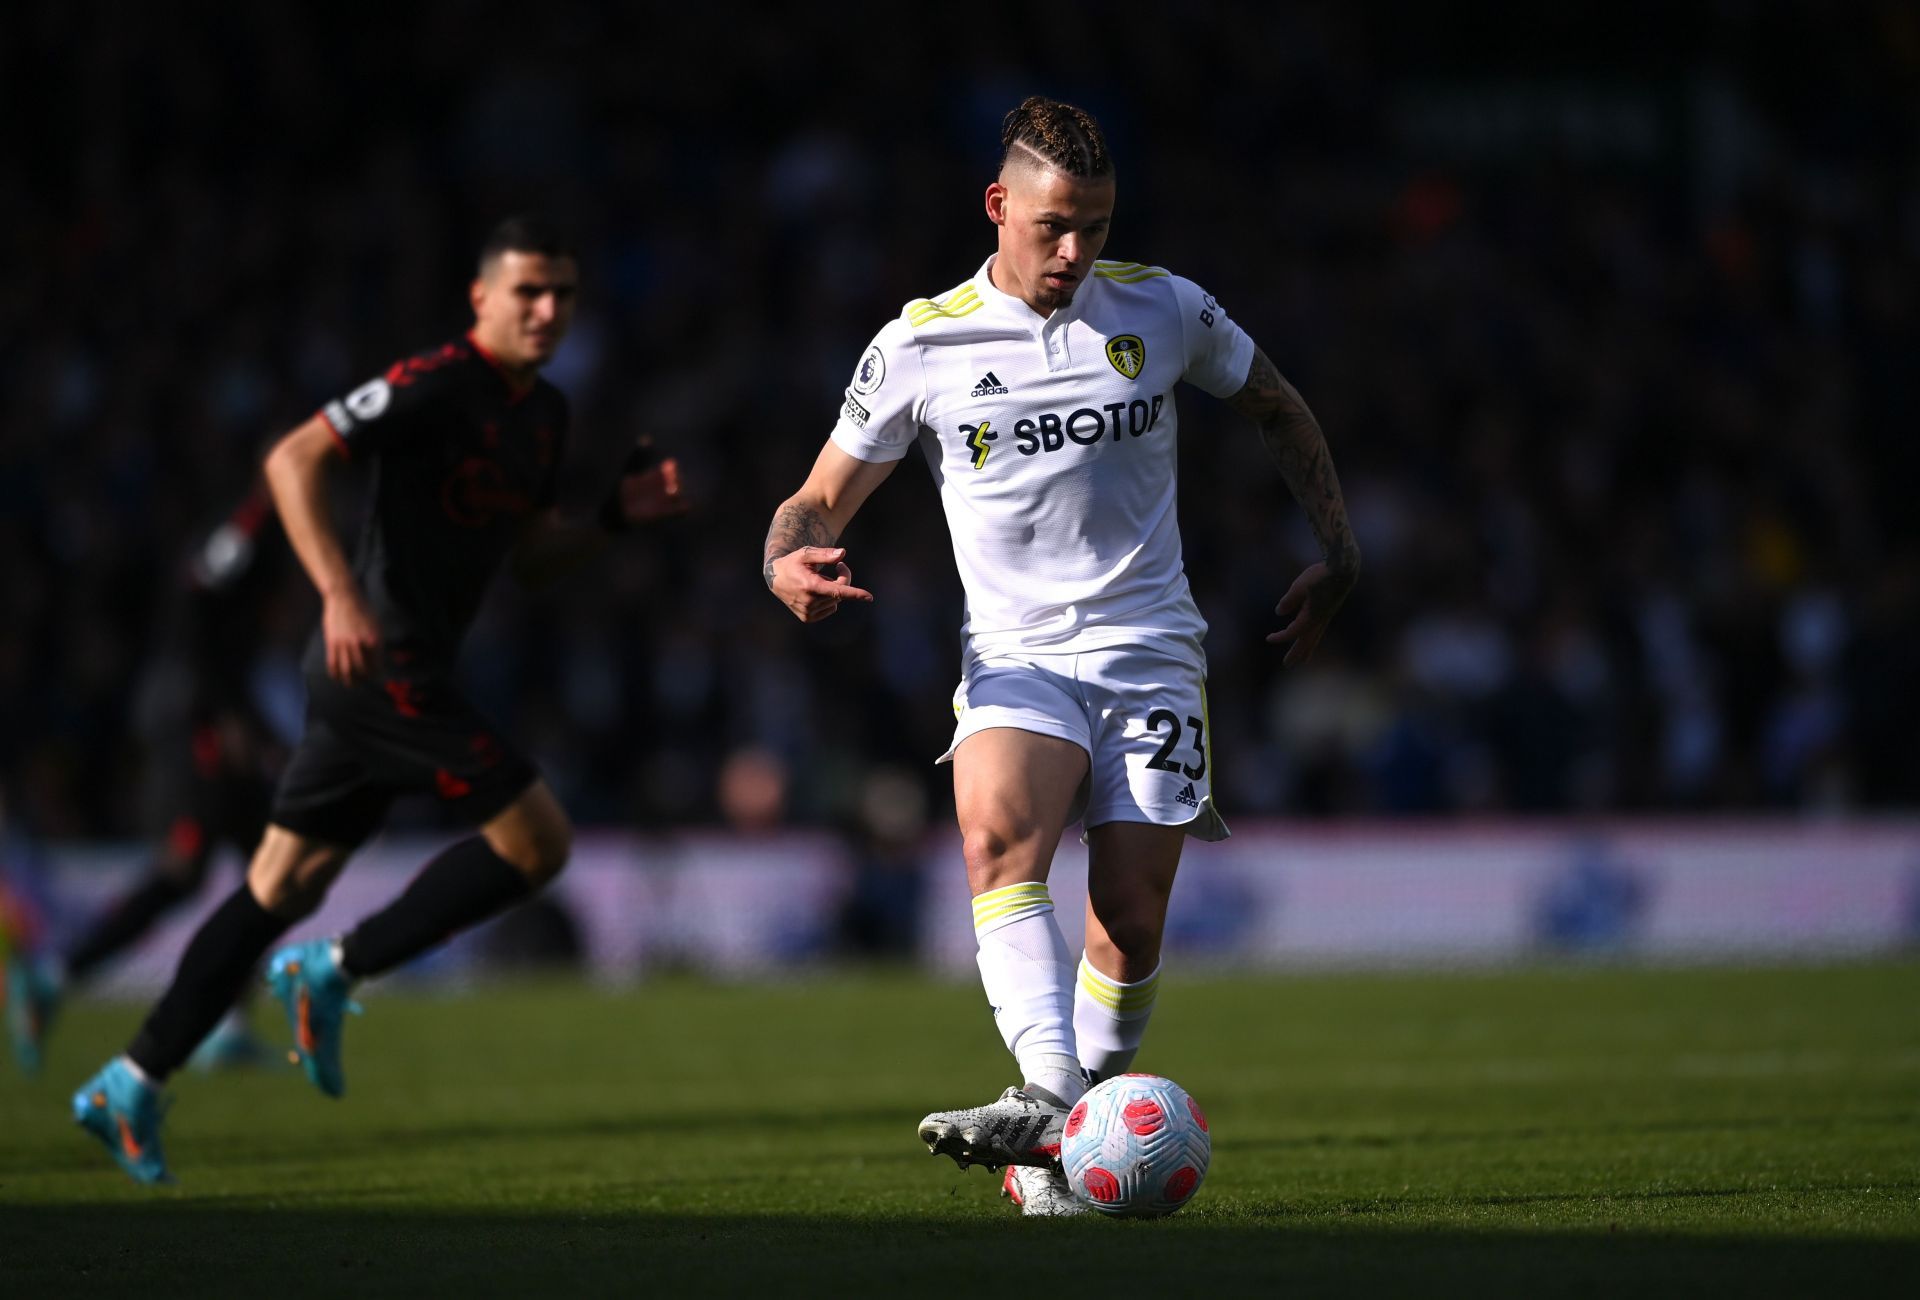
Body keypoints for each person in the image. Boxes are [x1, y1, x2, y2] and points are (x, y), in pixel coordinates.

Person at [762, 97, 1360, 1216]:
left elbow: (1278, 405)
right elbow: (812, 500)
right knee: (994, 833)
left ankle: (1074, 1137)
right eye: (1053, 225)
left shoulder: (1164, 307)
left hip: (1151, 652)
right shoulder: (920, 344)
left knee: (1127, 918)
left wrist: (1339, 548)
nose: (1075, 251)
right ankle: (1046, 1096)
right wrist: (784, 562)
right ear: (999, 207)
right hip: (1016, 653)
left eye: (1094, 223)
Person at [72, 216, 687, 1184]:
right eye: (527, 290)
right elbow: (290, 460)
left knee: (279, 885)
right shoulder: (435, 380)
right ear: (480, 297)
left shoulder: (545, 414)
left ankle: (130, 1077)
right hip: (380, 662)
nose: (547, 309)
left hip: (404, 673)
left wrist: (611, 515)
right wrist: (340, 592)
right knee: (539, 840)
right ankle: (335, 967)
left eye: (562, 293)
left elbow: (530, 559)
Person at [7, 484, 288, 1076]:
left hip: (207, 716)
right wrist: (224, 714)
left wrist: (256, 727)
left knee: (269, 871)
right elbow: (192, 606)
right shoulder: (249, 524)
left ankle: (218, 1021)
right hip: (193, 727)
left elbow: (221, 641)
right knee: (208, 871)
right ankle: (57, 977)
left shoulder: (274, 533)